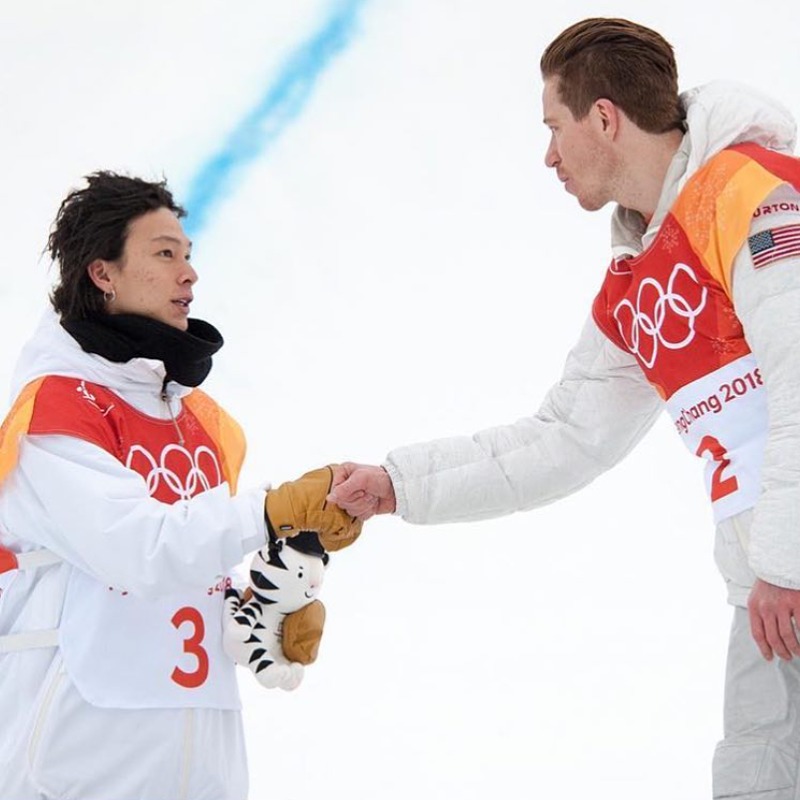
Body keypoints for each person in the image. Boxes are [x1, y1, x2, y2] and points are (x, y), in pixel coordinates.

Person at [328, 17, 800, 799]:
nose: (548, 154)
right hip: (768, 594)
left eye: (555, 126)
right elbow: (566, 437)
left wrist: (784, 565)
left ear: (605, 118)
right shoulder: (641, 274)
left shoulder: (755, 194)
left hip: (782, 577)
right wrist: (398, 483)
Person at [0, 172, 359, 800]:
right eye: (165, 253)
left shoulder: (201, 423)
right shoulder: (54, 413)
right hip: (76, 770)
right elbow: (136, 551)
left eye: (188, 255)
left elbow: (186, 586)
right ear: (102, 273)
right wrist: (274, 510)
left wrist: (261, 620)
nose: (188, 274)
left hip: (201, 773)